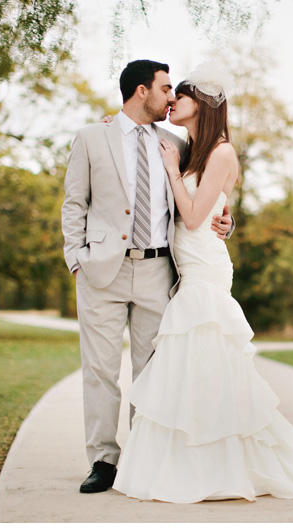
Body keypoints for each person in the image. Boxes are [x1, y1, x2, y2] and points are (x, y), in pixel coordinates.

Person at [112, 63, 293, 503]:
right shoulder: (191, 149)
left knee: (206, 364)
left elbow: (191, 218)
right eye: (171, 94)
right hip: (188, 269)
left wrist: (173, 173)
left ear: (200, 106)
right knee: (191, 370)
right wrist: (219, 211)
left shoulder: (219, 152)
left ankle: (219, 465)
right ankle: (189, 462)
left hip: (204, 273)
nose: (172, 102)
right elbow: (206, 209)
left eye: (180, 96)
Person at [61, 60, 233, 494]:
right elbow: (73, 204)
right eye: (166, 89)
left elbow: (206, 194)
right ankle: (103, 460)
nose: (172, 98)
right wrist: (76, 258)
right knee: (99, 370)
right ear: (142, 91)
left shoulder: (176, 142)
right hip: (102, 270)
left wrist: (228, 222)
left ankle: (143, 456)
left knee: (153, 370)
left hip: (159, 270)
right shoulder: (91, 137)